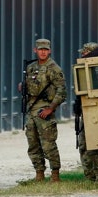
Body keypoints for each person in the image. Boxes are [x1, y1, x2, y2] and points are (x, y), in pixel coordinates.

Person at [19, 38, 67, 182]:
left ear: (49, 51)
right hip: (31, 110)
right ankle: (39, 173)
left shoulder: (54, 68)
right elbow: (30, 86)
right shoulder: (31, 67)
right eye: (40, 49)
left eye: (45, 50)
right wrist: (22, 86)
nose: (43, 52)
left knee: (48, 144)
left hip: (45, 111)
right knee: (33, 144)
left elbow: (61, 91)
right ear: (35, 50)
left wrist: (51, 109)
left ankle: (55, 175)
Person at [73, 42, 98, 182]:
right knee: (83, 145)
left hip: (96, 113)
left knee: (96, 146)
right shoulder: (85, 71)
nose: (82, 55)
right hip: (86, 112)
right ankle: (90, 176)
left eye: (85, 53)